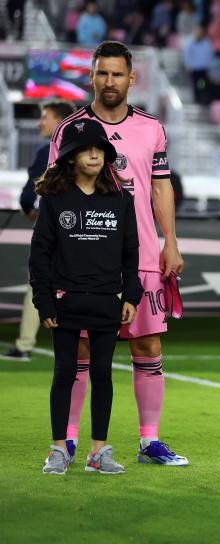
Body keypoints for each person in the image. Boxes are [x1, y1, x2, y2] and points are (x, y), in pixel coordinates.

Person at [48, 41, 187, 466]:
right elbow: (53, 193)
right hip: (83, 261)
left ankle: (149, 442)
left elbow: (161, 186)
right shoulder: (69, 130)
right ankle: (69, 441)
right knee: (81, 352)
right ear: (91, 77)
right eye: (102, 73)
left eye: (117, 73)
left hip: (141, 256)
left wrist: (171, 241)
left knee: (147, 347)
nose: (110, 81)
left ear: (131, 78)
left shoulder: (151, 128)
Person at [31, 118, 142, 474]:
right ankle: (59, 449)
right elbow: (40, 256)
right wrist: (44, 301)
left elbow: (131, 251)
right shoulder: (53, 200)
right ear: (70, 157)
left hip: (106, 302)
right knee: (64, 373)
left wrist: (132, 295)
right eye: (85, 151)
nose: (94, 156)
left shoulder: (121, 199)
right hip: (65, 302)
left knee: (103, 374)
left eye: (99, 150)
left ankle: (98, 452)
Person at [1, 101, 74, 362]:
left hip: (52, 228)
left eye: (45, 117)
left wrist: (30, 211)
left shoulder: (46, 152)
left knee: (38, 284)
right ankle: (93, 342)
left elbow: (27, 196)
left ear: (60, 121)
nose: (40, 123)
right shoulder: (88, 148)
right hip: (85, 228)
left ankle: (24, 346)